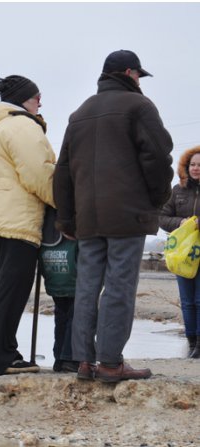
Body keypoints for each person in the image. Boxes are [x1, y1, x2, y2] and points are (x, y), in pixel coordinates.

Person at [54, 50, 174, 382]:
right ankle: (109, 362)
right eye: (139, 75)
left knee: (88, 285)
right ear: (128, 73)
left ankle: (84, 361)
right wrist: (157, 199)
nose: (140, 81)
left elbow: (62, 172)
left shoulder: (79, 114)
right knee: (120, 285)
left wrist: (67, 219)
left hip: (88, 218)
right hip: (127, 214)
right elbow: (159, 156)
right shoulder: (139, 107)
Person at [0, 74, 56, 376]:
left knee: (3, 292)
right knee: (12, 291)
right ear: (22, 99)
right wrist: (64, 203)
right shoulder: (22, 126)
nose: (40, 102)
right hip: (14, 221)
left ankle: (3, 351)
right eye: (36, 97)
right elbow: (39, 174)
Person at [159, 145, 200, 358]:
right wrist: (182, 222)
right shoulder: (177, 190)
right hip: (182, 256)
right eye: (192, 164)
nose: (196, 168)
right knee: (187, 300)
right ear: (186, 166)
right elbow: (162, 218)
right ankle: (191, 341)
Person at [39, 228, 79, 372]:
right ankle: (69, 358)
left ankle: (59, 359)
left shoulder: (45, 227)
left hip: (54, 276)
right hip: (74, 278)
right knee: (75, 316)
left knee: (62, 316)